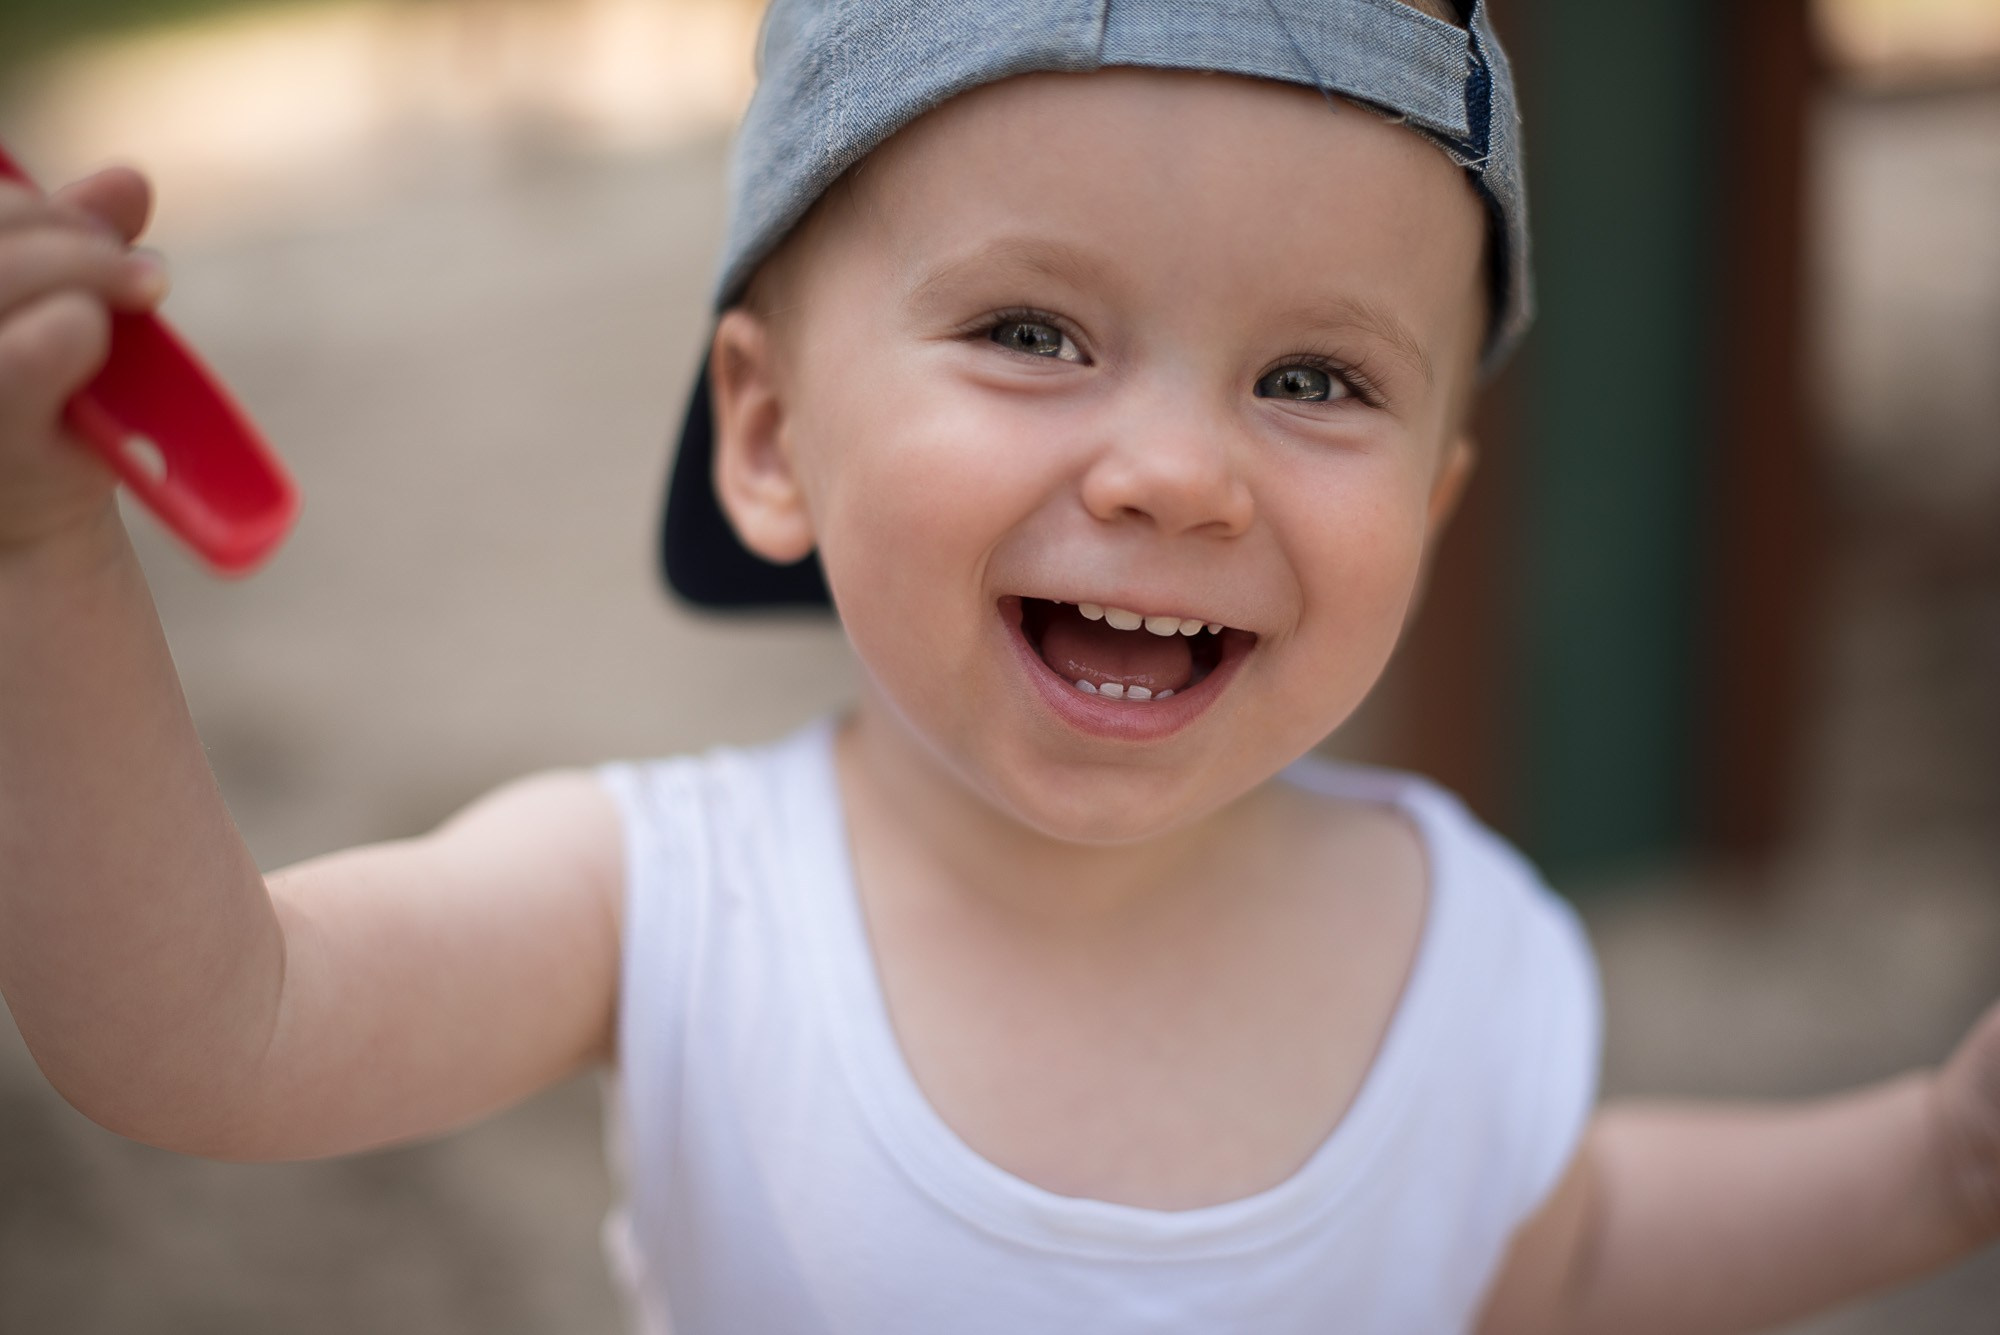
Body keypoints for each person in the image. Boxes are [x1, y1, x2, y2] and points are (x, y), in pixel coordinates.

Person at [1, 1, 1995, 1331]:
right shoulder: (673, 901)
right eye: (1036, 331)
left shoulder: (1461, 940)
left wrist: (1929, 1154)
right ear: (769, 435)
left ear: (1443, 490)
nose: (1174, 471)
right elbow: (208, 1032)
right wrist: (38, 549)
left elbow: (1552, 1248)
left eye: (1313, 378)